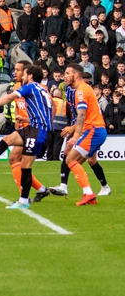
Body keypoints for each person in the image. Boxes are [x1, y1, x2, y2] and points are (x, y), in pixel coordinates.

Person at [0, 65, 53, 208]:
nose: (23, 77)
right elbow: (46, 112)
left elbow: (9, 97)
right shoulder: (42, 89)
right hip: (33, 126)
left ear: (30, 76)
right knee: (8, 139)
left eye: (25, 74)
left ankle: (24, 201)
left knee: (25, 165)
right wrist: (27, 120)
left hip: (39, 130)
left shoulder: (31, 86)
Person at [54, 64, 108, 205]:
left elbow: (81, 115)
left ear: (76, 75)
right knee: (76, 161)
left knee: (70, 159)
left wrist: (76, 135)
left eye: (67, 73)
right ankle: (90, 193)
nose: (64, 76)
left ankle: (88, 193)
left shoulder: (81, 91)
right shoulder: (83, 89)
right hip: (96, 130)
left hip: (93, 131)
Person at [49, 88, 69, 161]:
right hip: (60, 127)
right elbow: (69, 116)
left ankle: (49, 159)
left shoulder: (48, 101)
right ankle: (55, 159)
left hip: (49, 127)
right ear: (60, 95)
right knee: (57, 145)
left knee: (50, 145)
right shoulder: (64, 103)